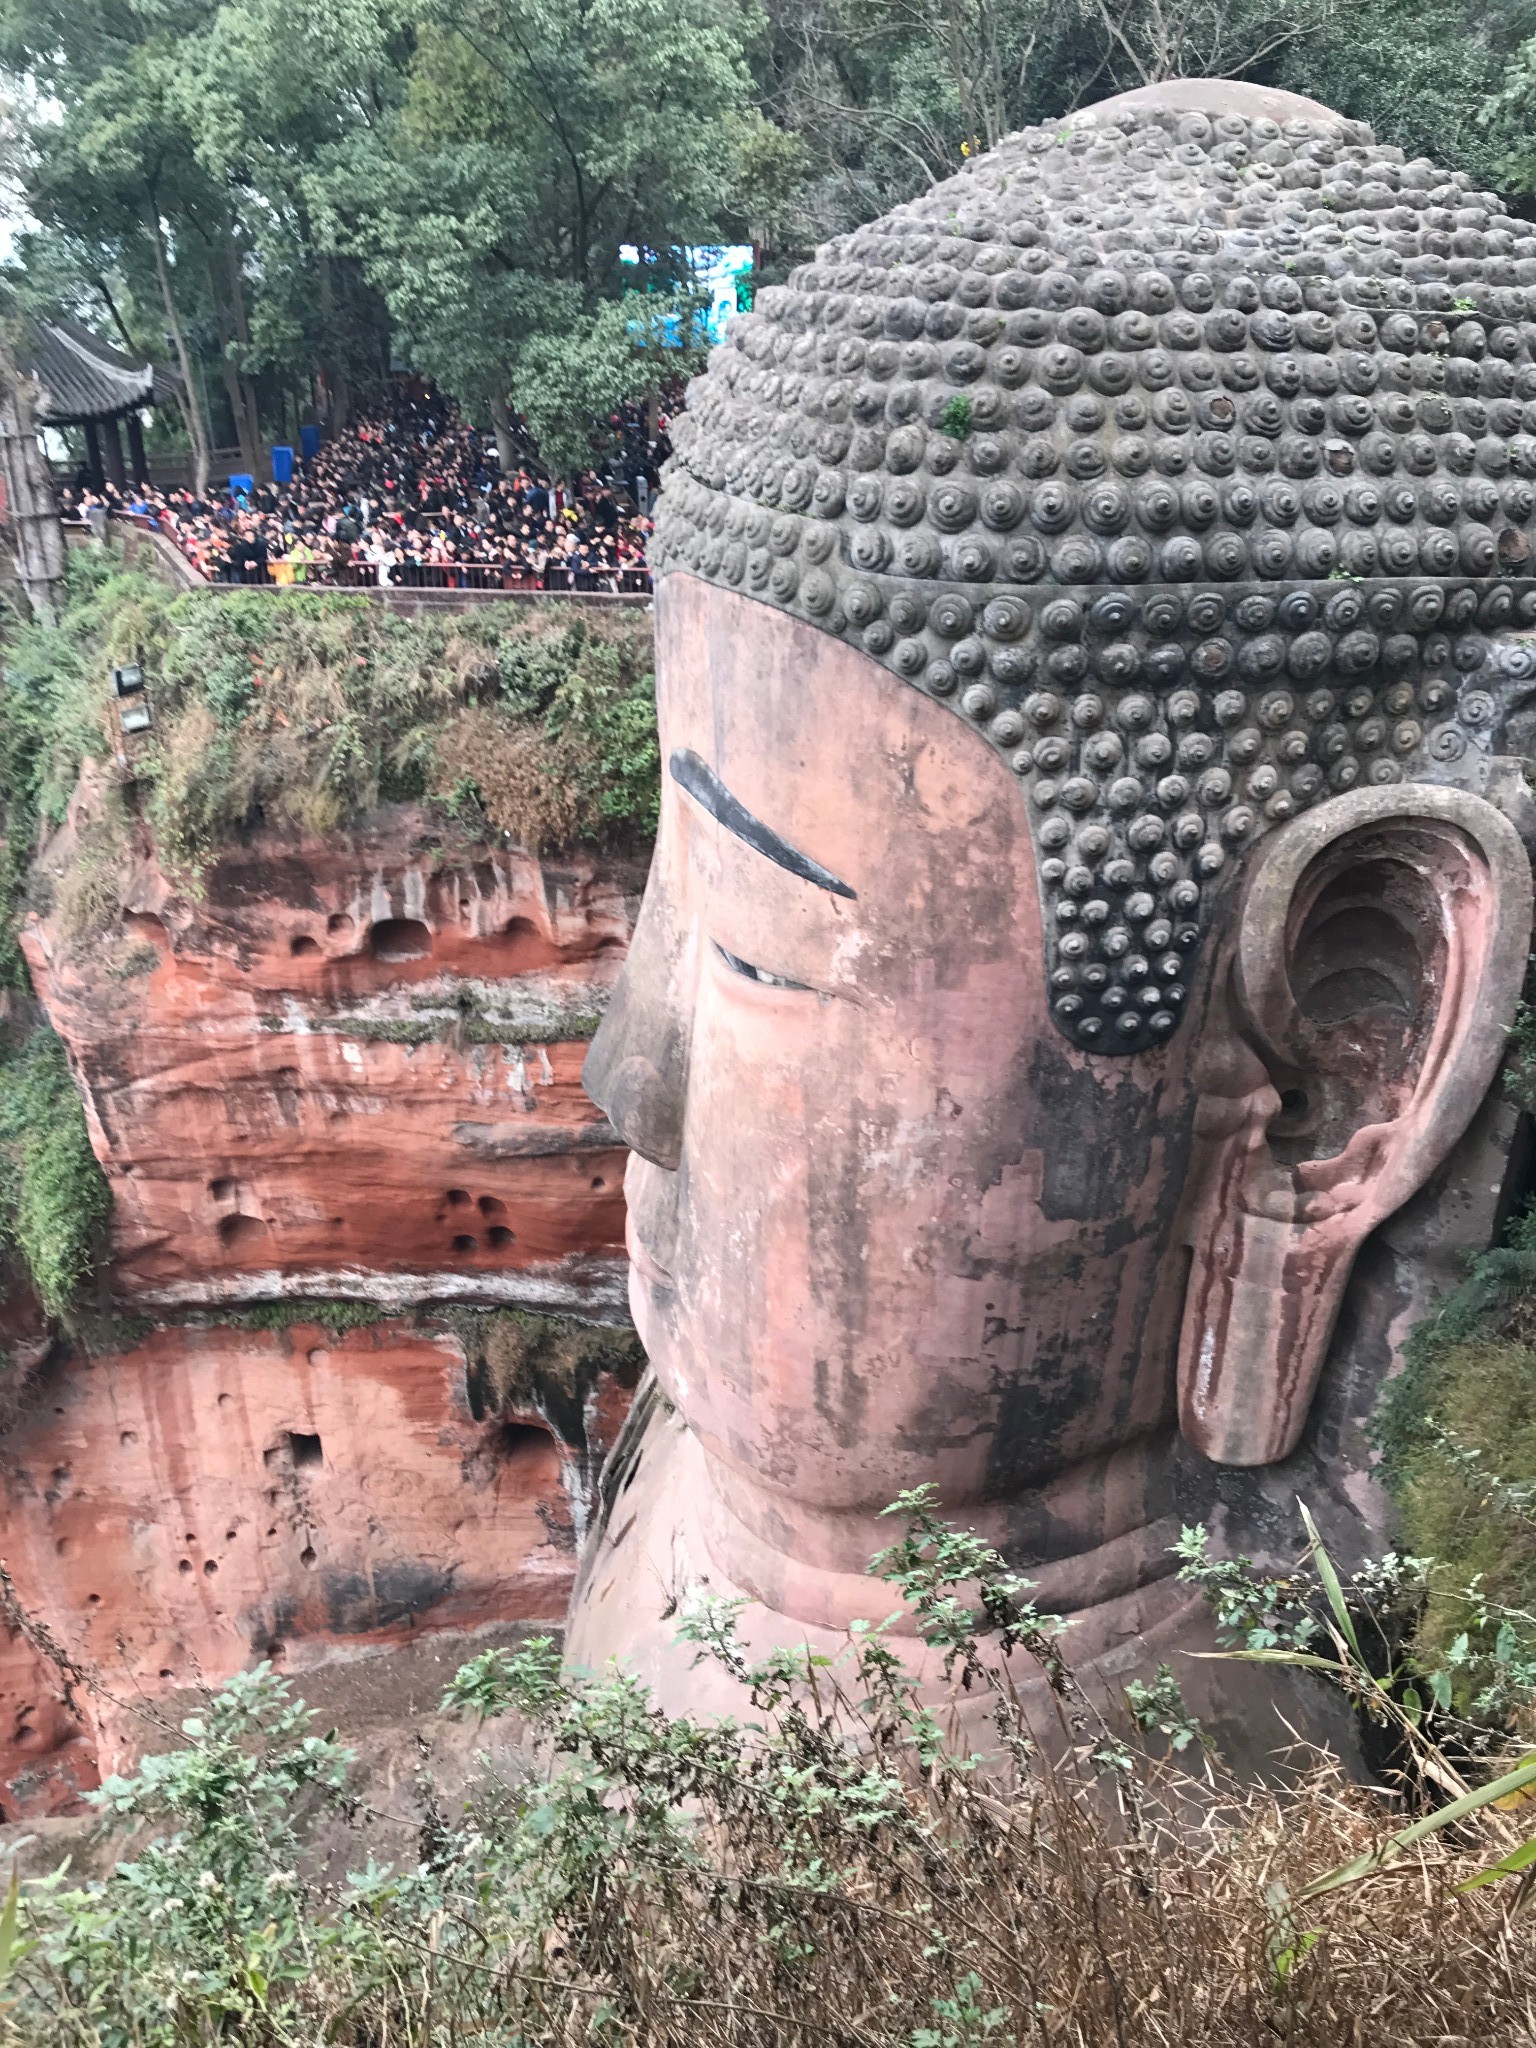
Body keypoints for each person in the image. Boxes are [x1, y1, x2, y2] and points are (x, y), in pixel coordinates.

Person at [568, 79, 1536, 1732]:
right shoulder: (680, 1478)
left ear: (1337, 1081)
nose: (626, 1076)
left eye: (751, 941)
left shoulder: (1267, 1845)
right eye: (669, 896)